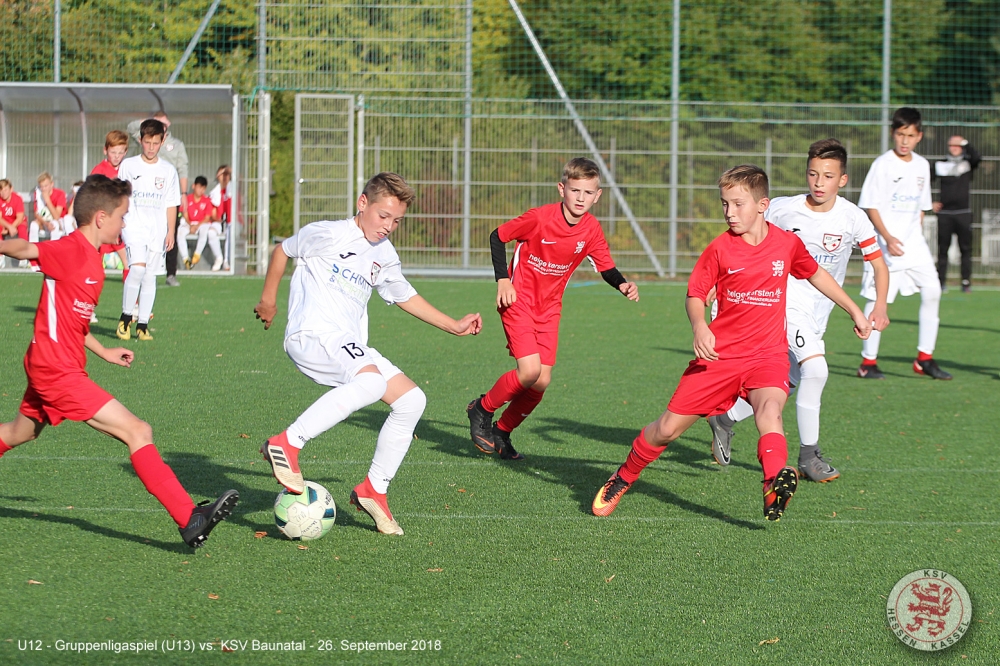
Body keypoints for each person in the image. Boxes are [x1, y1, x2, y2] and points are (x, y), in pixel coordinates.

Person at [592, 165, 872, 522]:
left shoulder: (786, 244)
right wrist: (699, 326)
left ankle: (773, 485)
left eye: (738, 204)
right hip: (720, 357)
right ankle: (623, 476)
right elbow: (695, 295)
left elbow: (816, 274)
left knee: (769, 413)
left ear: (762, 205)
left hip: (767, 355)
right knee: (666, 430)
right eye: (725, 204)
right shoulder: (720, 249)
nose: (729, 212)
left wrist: (854, 310)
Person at [0, 174, 238, 548]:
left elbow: (73, 322)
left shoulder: (93, 259)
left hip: (54, 364)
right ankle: (189, 518)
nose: (124, 223)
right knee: (137, 431)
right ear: (101, 218)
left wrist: (103, 351)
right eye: (121, 216)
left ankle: (189, 518)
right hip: (55, 371)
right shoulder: (69, 249)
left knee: (19, 433)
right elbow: (25, 249)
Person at [253, 172, 482, 536]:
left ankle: (373, 489)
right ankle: (286, 443)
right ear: (363, 204)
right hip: (313, 333)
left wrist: (453, 325)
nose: (388, 226)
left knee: (411, 401)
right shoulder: (329, 233)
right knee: (372, 382)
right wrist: (268, 300)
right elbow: (283, 250)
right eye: (383, 215)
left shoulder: (384, 254)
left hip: (348, 343)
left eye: (397, 220)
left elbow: (404, 295)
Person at [706, 139, 890, 483]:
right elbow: (740, 233)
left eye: (828, 176)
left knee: (788, 381)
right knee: (817, 370)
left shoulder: (853, 218)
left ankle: (725, 417)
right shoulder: (782, 208)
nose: (819, 182)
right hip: (782, 304)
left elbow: (878, 264)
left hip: (818, 311)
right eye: (813, 174)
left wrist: (879, 305)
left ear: (843, 180)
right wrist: (721, 280)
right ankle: (809, 456)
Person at [466, 158, 639, 461]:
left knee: (541, 381)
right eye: (575, 190)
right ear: (562, 189)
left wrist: (622, 284)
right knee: (529, 371)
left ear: (597, 196)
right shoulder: (540, 218)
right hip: (517, 301)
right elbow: (498, 236)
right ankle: (481, 408)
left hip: (549, 309)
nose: (581, 198)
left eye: (588, 192)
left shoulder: (591, 229)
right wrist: (503, 280)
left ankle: (502, 431)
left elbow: (605, 266)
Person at [856, 107, 951, 380]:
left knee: (933, 291)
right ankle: (867, 363)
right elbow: (870, 205)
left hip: (914, 246)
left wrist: (915, 234)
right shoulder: (882, 164)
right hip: (885, 246)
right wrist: (887, 238)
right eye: (900, 134)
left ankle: (924, 359)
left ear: (919, 136)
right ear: (893, 134)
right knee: (877, 300)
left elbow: (921, 206)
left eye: (910, 135)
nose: (904, 140)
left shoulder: (921, 165)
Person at [116, 119, 181, 342]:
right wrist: (119, 221)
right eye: (147, 142)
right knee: (136, 269)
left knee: (150, 276)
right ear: (140, 140)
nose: (151, 147)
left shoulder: (168, 170)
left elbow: (171, 203)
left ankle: (142, 324)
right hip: (133, 226)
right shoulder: (128, 166)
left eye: (155, 143)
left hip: (157, 230)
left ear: (162, 142)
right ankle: (125, 318)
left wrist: (170, 231)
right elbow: (119, 195)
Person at [129, 112, 188, 287]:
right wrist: (149, 122)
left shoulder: (176, 145)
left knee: (171, 234)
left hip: (166, 196)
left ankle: (171, 273)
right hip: (145, 199)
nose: (151, 146)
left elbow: (182, 168)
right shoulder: (146, 138)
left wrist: (184, 193)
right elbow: (131, 127)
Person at [933, 135, 981, 293]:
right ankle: (941, 282)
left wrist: (965, 143)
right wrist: (931, 202)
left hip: (963, 213)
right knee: (943, 250)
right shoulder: (940, 164)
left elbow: (977, 157)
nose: (954, 148)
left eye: (958, 145)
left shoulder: (967, 163)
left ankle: (966, 282)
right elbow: (924, 182)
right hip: (945, 214)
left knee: (965, 249)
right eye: (952, 145)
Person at [92, 130, 131, 277]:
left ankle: (131, 293)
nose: (116, 156)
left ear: (125, 152)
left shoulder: (127, 169)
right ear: (105, 150)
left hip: (121, 221)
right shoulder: (99, 171)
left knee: (127, 260)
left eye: (120, 153)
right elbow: (94, 197)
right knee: (96, 260)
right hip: (104, 222)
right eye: (113, 152)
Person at [183, 176, 224, 271]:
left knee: (210, 232)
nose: (201, 190)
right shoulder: (213, 193)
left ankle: (219, 258)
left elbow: (211, 216)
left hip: (212, 224)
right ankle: (186, 259)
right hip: (199, 224)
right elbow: (185, 214)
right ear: (194, 186)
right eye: (199, 187)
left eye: (203, 188)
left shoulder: (214, 196)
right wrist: (191, 225)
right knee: (180, 233)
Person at [29, 172, 67, 242]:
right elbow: (36, 214)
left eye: (46, 186)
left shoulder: (60, 194)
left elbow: (56, 217)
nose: (43, 189)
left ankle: (54, 248)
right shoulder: (38, 194)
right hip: (44, 221)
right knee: (33, 225)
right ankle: (33, 247)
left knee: (54, 224)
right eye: (41, 186)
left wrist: (47, 200)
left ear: (52, 184)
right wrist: (46, 224)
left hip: (59, 222)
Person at [209, 165, 233, 271]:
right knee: (211, 232)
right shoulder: (215, 192)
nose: (224, 177)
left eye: (226, 174)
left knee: (230, 234)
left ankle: (227, 261)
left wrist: (229, 170)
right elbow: (213, 213)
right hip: (219, 222)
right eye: (222, 174)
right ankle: (219, 258)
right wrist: (217, 219)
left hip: (231, 221)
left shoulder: (232, 188)